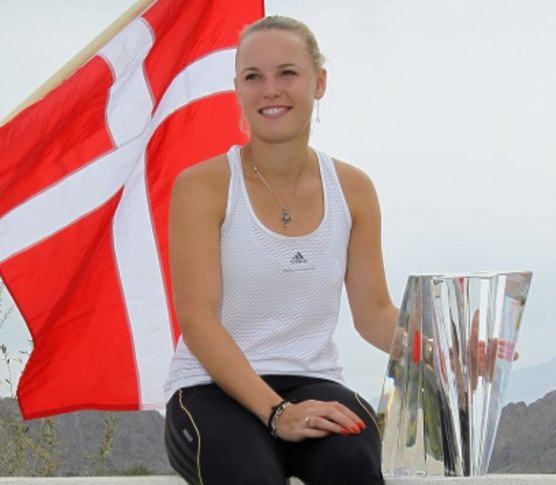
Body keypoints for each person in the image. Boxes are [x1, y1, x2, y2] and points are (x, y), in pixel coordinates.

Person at [163, 15, 400, 485]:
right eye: (254, 77)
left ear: (319, 82)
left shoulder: (353, 190)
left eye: (287, 73)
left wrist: (449, 352)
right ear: (238, 89)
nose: (270, 89)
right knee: (252, 476)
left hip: (313, 383)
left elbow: (374, 314)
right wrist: (277, 413)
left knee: (351, 466)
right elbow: (198, 321)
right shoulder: (203, 187)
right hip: (210, 390)